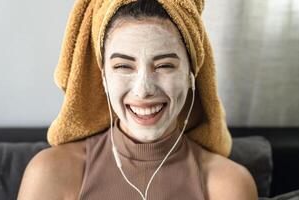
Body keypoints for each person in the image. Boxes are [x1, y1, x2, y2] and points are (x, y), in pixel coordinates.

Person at [17, 0, 258, 199]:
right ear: (104, 78)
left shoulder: (228, 185)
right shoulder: (51, 173)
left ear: (190, 75)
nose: (143, 90)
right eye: (123, 66)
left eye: (164, 65)